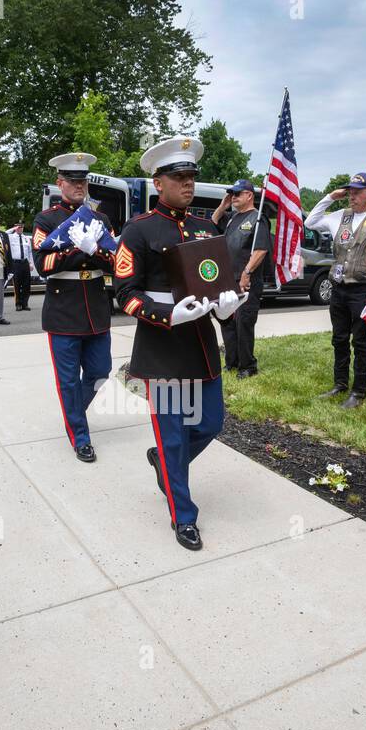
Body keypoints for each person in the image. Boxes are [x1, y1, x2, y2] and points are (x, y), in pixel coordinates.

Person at [114, 136, 247, 551]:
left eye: (191, 177)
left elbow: (218, 287)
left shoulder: (207, 228)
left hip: (201, 346)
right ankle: (183, 516)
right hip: (162, 350)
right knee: (173, 438)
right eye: (179, 177)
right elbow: (125, 293)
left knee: (211, 424)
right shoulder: (138, 230)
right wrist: (168, 313)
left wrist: (226, 309)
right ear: (159, 183)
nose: (188, 184)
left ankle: (166, 464)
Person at [33, 152, 116, 462]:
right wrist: (72, 250)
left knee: (100, 372)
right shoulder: (46, 219)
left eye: (83, 181)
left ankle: (72, 415)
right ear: (60, 183)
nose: (79, 185)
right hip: (63, 308)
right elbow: (43, 264)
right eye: (73, 181)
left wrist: (93, 249)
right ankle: (80, 436)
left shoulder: (100, 220)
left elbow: (115, 261)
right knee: (68, 381)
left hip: (95, 305)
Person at [304, 171, 366, 408]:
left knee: (361, 340)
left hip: (363, 288)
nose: (351, 196)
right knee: (339, 338)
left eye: (357, 192)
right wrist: (329, 198)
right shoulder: (339, 216)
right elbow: (310, 222)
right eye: (350, 192)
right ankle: (340, 383)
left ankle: (359, 390)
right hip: (339, 287)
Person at [211, 178, 270, 377]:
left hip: (247, 281)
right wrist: (222, 206)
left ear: (249, 195)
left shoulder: (258, 218)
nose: (233, 197)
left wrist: (247, 273)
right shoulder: (232, 217)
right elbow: (212, 223)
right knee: (227, 321)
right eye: (232, 194)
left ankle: (248, 366)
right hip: (227, 279)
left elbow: (261, 250)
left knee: (244, 323)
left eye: (237, 193)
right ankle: (232, 362)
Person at [7, 220, 34, 311]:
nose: (20, 228)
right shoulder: (11, 237)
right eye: (18, 227)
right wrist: (13, 229)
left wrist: (30, 263)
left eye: (21, 227)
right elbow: (5, 233)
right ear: (15, 228)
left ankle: (25, 304)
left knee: (27, 285)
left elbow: (30, 252)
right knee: (17, 284)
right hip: (16, 263)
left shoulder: (26, 238)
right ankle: (18, 304)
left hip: (25, 263)